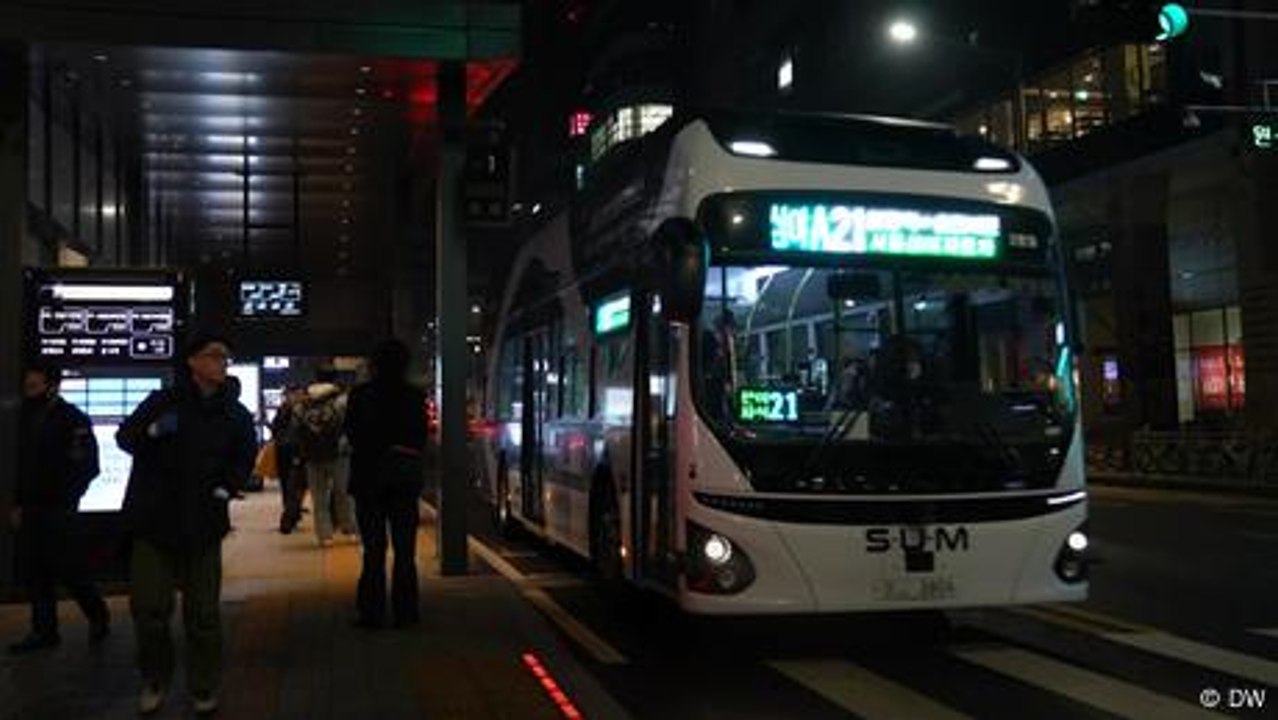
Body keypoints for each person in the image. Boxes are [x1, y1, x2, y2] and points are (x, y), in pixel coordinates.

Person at [117, 333, 256, 715]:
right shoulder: (163, 402)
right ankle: (155, 676)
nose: (222, 362)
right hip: (154, 522)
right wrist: (154, 431)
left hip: (204, 524)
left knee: (204, 615)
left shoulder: (235, 413)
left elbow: (245, 457)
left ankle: (204, 684)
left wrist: (227, 488)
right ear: (193, 362)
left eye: (226, 356)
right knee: (149, 609)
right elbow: (125, 437)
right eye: (214, 355)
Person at [8, 362, 110, 655]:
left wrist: (68, 499)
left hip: (60, 509)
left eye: (34, 387)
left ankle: (97, 614)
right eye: (27, 387)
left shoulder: (72, 420)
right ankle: (44, 630)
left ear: (52, 386)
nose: (29, 392)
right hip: (32, 508)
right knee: (35, 571)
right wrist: (18, 502)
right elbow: (22, 466)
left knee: (71, 569)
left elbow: (87, 466)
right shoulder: (26, 418)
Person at [344, 339, 428, 629]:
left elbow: (352, 434)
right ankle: (406, 612)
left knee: (373, 549)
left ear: (374, 364)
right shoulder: (415, 396)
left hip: (369, 477)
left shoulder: (360, 395)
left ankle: (372, 611)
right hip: (404, 479)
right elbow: (420, 438)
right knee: (405, 550)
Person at [298, 368, 356, 546]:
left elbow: (297, 426)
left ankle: (325, 536)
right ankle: (350, 530)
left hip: (312, 454)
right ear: (335, 378)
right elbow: (352, 425)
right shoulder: (342, 399)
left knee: (319, 498)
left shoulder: (304, 401)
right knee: (344, 494)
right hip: (339, 454)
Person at [271, 386, 306, 533]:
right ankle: (289, 517)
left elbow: (274, 429)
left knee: (290, 486)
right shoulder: (296, 410)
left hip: (284, 452)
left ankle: (293, 514)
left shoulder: (284, 409)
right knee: (293, 486)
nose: (298, 397)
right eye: (296, 394)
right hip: (293, 453)